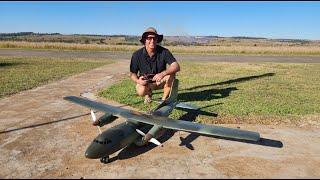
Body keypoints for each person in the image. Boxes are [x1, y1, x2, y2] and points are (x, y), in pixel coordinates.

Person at [130, 27, 180, 104]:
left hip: (160, 81)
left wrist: (163, 73)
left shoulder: (164, 52)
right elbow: (132, 73)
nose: (152, 41)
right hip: (146, 83)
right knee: (141, 91)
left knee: (172, 73)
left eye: (154, 38)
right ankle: (148, 94)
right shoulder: (137, 54)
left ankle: (164, 99)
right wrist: (138, 81)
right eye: (149, 38)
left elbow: (176, 66)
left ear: (157, 40)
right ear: (144, 40)